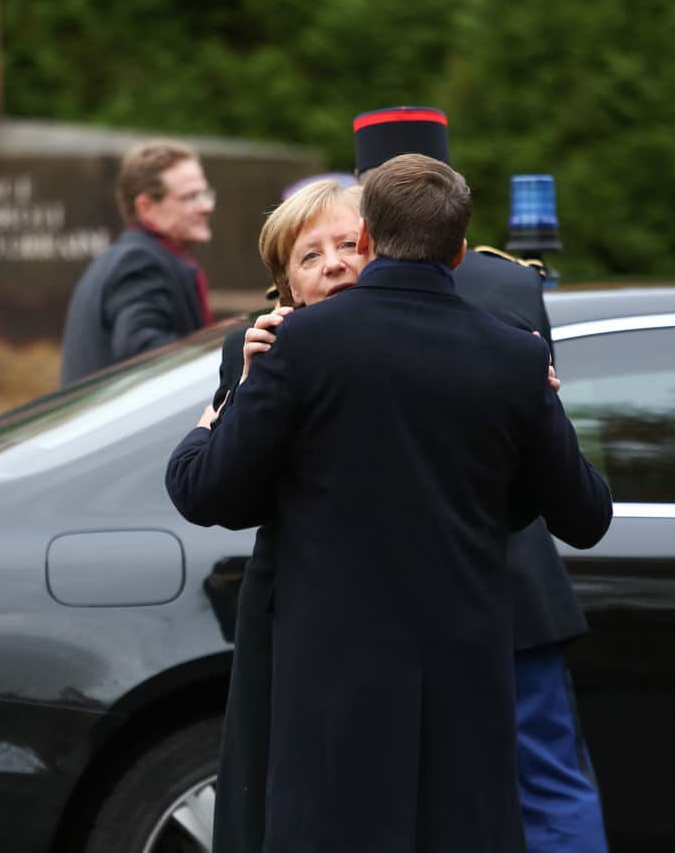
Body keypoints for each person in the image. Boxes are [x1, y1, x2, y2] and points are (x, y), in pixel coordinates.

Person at [167, 153, 612, 853]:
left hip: (329, 668)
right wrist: (539, 419)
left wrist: (212, 416)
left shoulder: (294, 347)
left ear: (368, 240)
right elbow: (585, 515)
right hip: (463, 669)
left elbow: (203, 489)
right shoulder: (513, 359)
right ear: (461, 252)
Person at [352, 105, 611, 853]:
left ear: (364, 205)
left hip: (392, 591)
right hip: (514, 572)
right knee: (548, 783)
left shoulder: (344, 294)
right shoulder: (509, 285)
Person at [209, 179, 364, 853]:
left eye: (349, 244)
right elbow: (224, 492)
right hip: (301, 619)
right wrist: (248, 392)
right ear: (288, 286)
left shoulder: (444, 339)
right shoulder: (261, 352)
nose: (333, 262)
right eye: (310, 255)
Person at [59, 139, 216, 385]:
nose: (206, 206)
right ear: (146, 207)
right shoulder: (137, 261)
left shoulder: (135, 256)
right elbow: (142, 351)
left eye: (205, 193)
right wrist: (221, 350)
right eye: (190, 197)